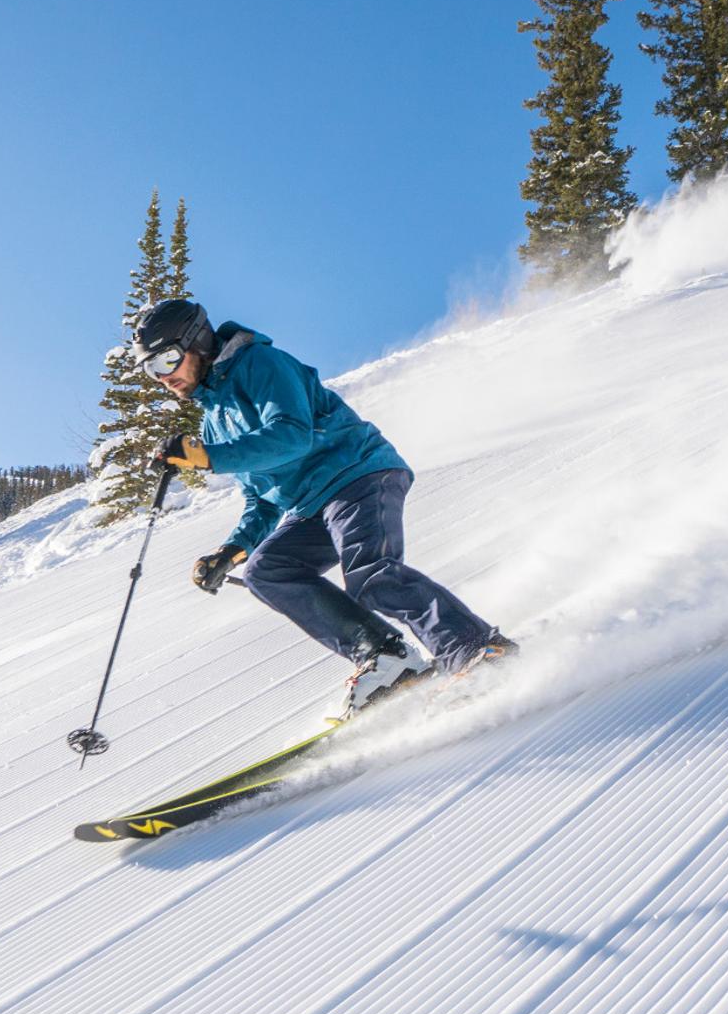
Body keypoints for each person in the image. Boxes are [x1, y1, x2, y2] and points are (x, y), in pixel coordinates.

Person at [131, 298, 516, 714]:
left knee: (371, 576)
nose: (163, 377)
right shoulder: (213, 417)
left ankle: (478, 650)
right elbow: (260, 498)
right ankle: (387, 658)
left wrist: (209, 456)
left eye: (168, 359)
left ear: (198, 342)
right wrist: (230, 551)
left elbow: (293, 435)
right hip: (310, 506)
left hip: (356, 474)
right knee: (266, 570)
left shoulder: (259, 364)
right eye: (152, 369)